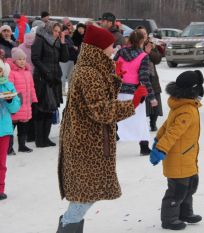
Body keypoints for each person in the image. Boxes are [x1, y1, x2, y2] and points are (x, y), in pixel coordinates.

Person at [57, 24, 142, 232]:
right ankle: (67, 226)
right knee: (85, 196)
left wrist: (115, 79)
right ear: (99, 48)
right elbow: (102, 110)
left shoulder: (92, 68)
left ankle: (69, 225)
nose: (113, 50)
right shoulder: (88, 73)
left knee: (85, 194)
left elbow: (99, 98)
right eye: (111, 46)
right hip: (86, 143)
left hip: (87, 140)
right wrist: (132, 104)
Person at [150, 70, 204, 230]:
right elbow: (173, 131)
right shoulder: (186, 110)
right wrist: (160, 147)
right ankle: (169, 218)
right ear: (193, 91)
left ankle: (185, 213)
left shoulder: (184, 105)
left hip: (187, 156)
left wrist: (157, 138)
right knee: (178, 190)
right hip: (178, 157)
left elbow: (167, 124)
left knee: (191, 185)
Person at [115, 30, 157, 156]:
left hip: (119, 90)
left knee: (116, 118)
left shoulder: (120, 52)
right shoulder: (143, 56)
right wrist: (151, 97)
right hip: (135, 94)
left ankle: (109, 145)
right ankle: (144, 147)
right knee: (140, 120)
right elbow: (144, 78)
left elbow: (113, 68)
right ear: (141, 41)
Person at [31, 21, 69, 148]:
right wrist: (46, 73)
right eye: (55, 31)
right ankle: (39, 139)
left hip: (54, 78)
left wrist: (63, 42)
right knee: (41, 108)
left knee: (50, 108)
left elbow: (64, 58)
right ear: (49, 29)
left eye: (59, 31)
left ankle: (45, 138)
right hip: (42, 78)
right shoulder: (40, 39)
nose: (57, 33)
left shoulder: (57, 41)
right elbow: (35, 58)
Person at [7, 48, 38, 153]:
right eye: (19, 59)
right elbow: (9, 88)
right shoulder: (11, 73)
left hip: (26, 105)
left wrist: (33, 99)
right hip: (16, 105)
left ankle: (22, 145)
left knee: (23, 127)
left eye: (23, 59)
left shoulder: (27, 72)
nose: (22, 61)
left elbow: (32, 87)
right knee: (11, 127)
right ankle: (8, 148)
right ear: (14, 60)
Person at [0, 61, 21, 200]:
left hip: (4, 130)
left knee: (1, 162)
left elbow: (15, 108)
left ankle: (0, 188)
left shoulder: (8, 85)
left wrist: (9, 101)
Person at [137, 26, 163, 131]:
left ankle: (153, 123)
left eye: (145, 33)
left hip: (152, 77)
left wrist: (149, 52)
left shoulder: (151, 45)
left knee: (155, 99)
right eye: (141, 33)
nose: (143, 35)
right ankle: (139, 124)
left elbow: (158, 59)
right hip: (138, 77)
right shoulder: (134, 46)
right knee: (140, 102)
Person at [60, 25, 77, 96]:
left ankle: (71, 89)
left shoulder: (69, 37)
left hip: (71, 59)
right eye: (64, 30)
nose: (66, 31)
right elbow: (65, 46)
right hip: (64, 60)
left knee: (71, 75)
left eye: (67, 30)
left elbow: (71, 45)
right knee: (63, 75)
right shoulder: (61, 38)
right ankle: (62, 89)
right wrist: (72, 47)